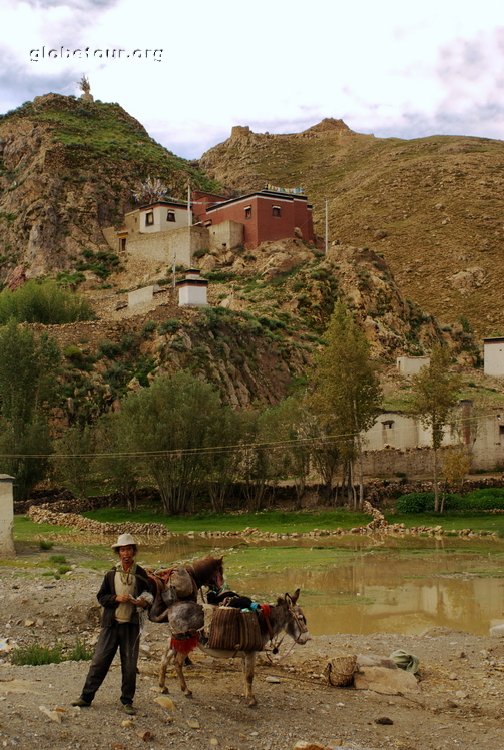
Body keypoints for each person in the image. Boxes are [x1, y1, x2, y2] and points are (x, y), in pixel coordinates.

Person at [71, 533, 154, 715]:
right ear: (119, 552)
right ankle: (86, 697)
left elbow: (150, 595)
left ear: (133, 551)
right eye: (123, 550)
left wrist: (142, 602)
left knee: (130, 665)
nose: (126, 553)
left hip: (131, 626)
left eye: (129, 549)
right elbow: (101, 597)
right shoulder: (111, 573)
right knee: (99, 661)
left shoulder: (140, 574)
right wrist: (116, 597)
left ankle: (127, 701)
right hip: (111, 625)